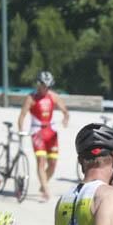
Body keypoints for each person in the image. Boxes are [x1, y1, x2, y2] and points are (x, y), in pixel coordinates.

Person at [18, 71, 70, 201]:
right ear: (38, 84)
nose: (46, 89)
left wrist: (65, 119)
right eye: (43, 86)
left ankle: (43, 183)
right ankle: (46, 190)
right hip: (37, 132)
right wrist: (21, 131)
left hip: (51, 132)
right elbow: (22, 116)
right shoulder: (31, 98)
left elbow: (65, 111)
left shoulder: (53, 96)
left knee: (53, 163)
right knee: (41, 161)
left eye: (48, 86)